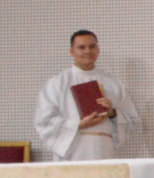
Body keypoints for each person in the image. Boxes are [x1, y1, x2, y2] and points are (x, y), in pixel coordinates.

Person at [34, 30, 139, 162]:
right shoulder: (57, 83)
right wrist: (78, 124)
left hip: (104, 149)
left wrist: (112, 113)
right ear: (71, 51)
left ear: (98, 49)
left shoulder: (113, 83)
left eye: (92, 46)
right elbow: (44, 121)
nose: (88, 51)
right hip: (73, 150)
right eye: (81, 47)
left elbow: (131, 120)